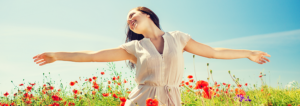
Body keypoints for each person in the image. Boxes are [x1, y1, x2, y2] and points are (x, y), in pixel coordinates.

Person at [33, 6, 271, 106]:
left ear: (148, 15)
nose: (129, 20)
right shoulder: (136, 48)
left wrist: (248, 53)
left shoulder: (178, 38)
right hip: (141, 101)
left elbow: (214, 51)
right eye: (127, 19)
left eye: (132, 14)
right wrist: (57, 55)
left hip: (171, 100)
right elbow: (93, 55)